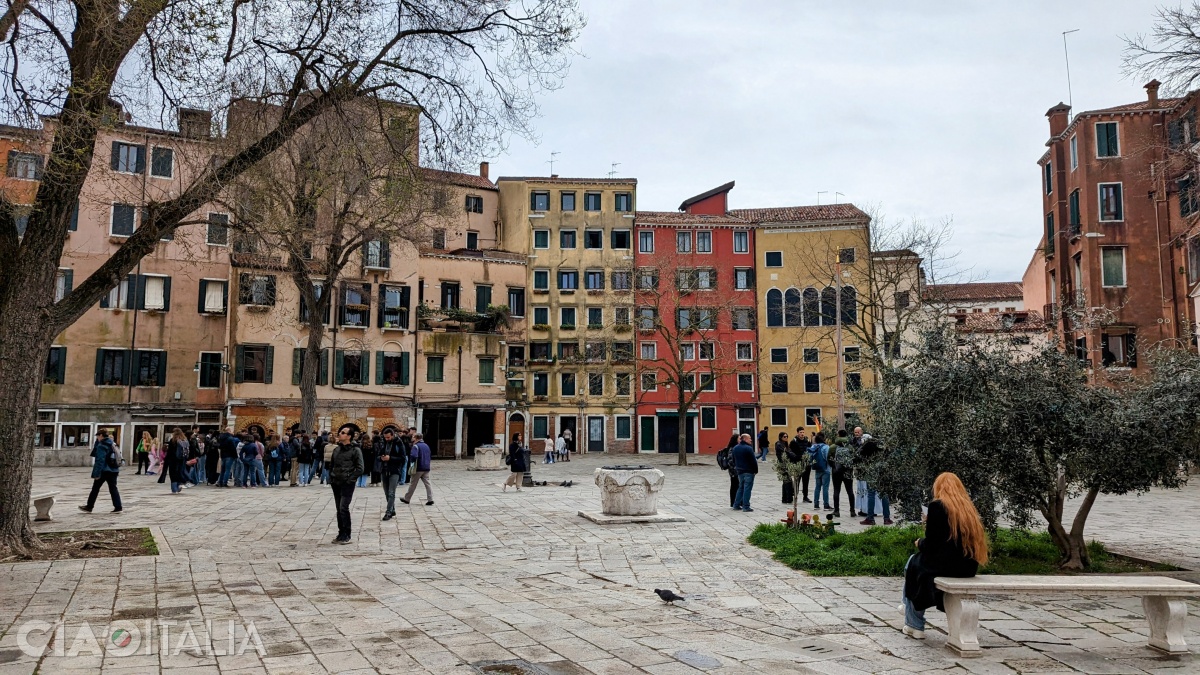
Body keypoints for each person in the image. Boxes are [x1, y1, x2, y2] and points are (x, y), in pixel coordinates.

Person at [901, 472, 989, 639]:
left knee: (913, 564)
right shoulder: (968, 508)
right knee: (916, 567)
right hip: (967, 567)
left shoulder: (937, 506)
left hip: (944, 565)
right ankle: (907, 608)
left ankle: (914, 623)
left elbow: (932, 544)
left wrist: (919, 542)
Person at [328, 427, 364, 544]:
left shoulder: (355, 450)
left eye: (343, 433)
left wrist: (350, 479)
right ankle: (341, 533)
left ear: (349, 436)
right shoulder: (337, 450)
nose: (340, 434)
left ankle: (347, 534)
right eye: (340, 432)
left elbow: (360, 468)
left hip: (347, 483)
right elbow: (331, 465)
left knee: (343, 508)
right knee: (339, 509)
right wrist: (331, 477)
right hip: (336, 482)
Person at [856, 430, 893, 526]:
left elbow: (858, 458)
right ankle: (887, 518)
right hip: (882, 472)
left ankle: (870, 518)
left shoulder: (866, 446)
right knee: (884, 494)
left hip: (871, 472)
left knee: (871, 494)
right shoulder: (882, 446)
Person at [79, 430, 122, 513]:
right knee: (113, 489)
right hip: (114, 470)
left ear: (101, 435)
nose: (97, 438)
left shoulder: (102, 445)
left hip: (104, 470)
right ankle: (118, 507)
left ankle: (89, 506)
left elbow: (100, 460)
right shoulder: (112, 444)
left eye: (97, 436)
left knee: (95, 488)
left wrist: (96, 474)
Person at [378, 428, 407, 519]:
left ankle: (388, 512)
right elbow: (378, 455)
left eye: (388, 437)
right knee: (386, 492)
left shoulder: (399, 443)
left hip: (394, 470)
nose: (387, 439)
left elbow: (403, 458)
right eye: (385, 437)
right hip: (384, 470)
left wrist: (390, 458)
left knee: (391, 492)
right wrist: (381, 458)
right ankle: (392, 509)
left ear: (392, 435)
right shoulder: (383, 442)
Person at [400, 432, 434, 506]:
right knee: (428, 484)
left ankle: (407, 498)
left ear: (416, 438)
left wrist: (412, 463)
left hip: (418, 468)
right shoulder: (426, 445)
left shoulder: (416, 446)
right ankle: (430, 498)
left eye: (413, 437)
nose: (412, 438)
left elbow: (414, 456)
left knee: (413, 484)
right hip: (426, 467)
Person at [830, 430, 857, 518]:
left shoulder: (833, 447)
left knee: (836, 490)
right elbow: (854, 458)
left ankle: (836, 511)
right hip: (848, 471)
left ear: (838, 435)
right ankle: (852, 511)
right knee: (850, 491)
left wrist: (834, 467)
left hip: (836, 471)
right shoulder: (850, 447)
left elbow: (829, 459)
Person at [731, 433, 758, 511]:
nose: (751, 440)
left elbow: (733, 460)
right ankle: (746, 506)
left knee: (741, 488)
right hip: (748, 471)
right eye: (749, 438)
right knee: (747, 488)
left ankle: (736, 505)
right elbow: (753, 461)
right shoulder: (748, 448)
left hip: (740, 471)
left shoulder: (735, 448)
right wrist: (755, 470)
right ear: (745, 439)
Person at [809, 432, 831, 511]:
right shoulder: (826, 447)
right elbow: (827, 458)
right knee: (825, 487)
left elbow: (810, 457)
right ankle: (826, 505)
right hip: (825, 469)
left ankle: (816, 504)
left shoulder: (813, 446)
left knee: (817, 487)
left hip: (817, 468)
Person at [789, 428, 812, 502]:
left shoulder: (807, 440)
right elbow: (791, 452)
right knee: (797, 481)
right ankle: (795, 495)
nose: (802, 434)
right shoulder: (794, 441)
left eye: (803, 432)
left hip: (806, 464)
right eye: (800, 432)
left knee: (806, 481)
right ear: (797, 433)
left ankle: (805, 496)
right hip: (797, 464)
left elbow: (810, 450)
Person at [166, 428, 190, 494]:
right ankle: (178, 486)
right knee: (179, 473)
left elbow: (170, 451)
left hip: (173, 460)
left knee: (173, 474)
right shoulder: (184, 440)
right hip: (182, 459)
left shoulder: (173, 440)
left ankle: (174, 489)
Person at [775, 432, 793, 504]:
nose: (786, 438)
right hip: (783, 465)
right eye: (784, 436)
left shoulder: (785, 444)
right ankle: (787, 498)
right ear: (780, 437)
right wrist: (793, 455)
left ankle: (786, 498)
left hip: (787, 464)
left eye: (787, 436)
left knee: (787, 481)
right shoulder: (779, 444)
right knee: (787, 481)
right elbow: (787, 452)